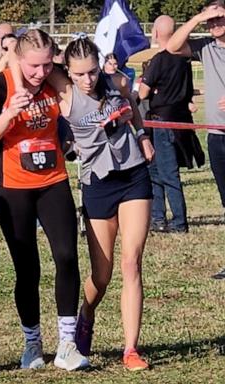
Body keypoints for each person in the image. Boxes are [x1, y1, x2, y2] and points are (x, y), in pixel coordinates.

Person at [14, 34, 154, 370]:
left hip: (133, 176)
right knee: (101, 276)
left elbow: (133, 105)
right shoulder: (64, 90)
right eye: (79, 74)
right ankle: (86, 314)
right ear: (67, 70)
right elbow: (18, 57)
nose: (87, 80)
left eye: (92, 72)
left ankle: (130, 349)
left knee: (131, 263)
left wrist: (143, 134)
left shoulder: (115, 80)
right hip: (97, 184)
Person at [0, 29, 89, 371]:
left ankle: (67, 344)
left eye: (46, 64)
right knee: (27, 269)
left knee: (67, 257)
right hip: (13, 187)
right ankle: (32, 344)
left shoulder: (52, 79)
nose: (40, 73)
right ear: (19, 59)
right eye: (33, 66)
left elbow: (78, 97)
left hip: (53, 180)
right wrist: (9, 115)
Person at [167, 0, 225, 278]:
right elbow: (172, 47)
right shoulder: (206, 47)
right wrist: (198, 18)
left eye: (220, 18)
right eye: (211, 21)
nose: (215, 24)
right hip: (217, 134)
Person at [139, 15, 205, 234]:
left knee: (167, 173)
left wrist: (149, 87)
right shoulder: (184, 61)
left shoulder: (160, 59)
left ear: (155, 33)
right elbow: (186, 92)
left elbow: (142, 92)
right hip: (179, 121)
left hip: (161, 122)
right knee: (156, 171)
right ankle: (158, 218)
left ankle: (178, 222)